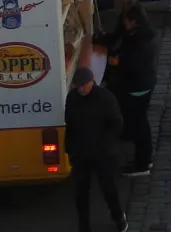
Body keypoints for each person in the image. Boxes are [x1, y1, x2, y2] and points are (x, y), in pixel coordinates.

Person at [95, 3, 158, 177]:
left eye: (126, 20)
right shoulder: (140, 36)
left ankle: (142, 163)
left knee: (138, 123)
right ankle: (145, 158)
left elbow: (133, 66)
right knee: (140, 122)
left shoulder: (139, 41)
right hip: (143, 84)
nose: (124, 23)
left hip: (136, 87)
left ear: (133, 21)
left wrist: (117, 63)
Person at [65, 66, 127, 232]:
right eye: (77, 86)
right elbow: (70, 125)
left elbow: (117, 124)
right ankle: (84, 225)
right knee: (81, 193)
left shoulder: (106, 98)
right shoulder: (72, 98)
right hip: (81, 153)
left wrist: (104, 144)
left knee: (108, 189)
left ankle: (118, 217)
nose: (80, 89)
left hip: (103, 154)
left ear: (91, 82)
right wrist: (70, 149)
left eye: (83, 85)